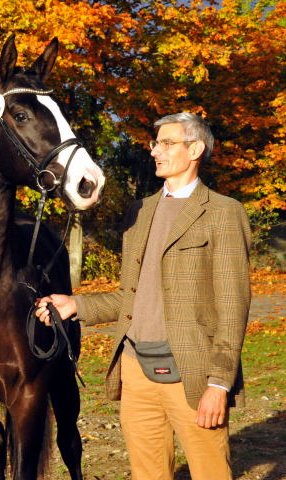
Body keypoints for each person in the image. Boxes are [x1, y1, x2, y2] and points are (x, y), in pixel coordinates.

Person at [36, 112, 251, 480]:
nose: (155, 151)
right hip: (135, 370)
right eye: (155, 143)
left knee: (211, 473)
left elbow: (233, 308)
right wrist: (76, 305)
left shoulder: (223, 213)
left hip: (194, 376)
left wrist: (219, 383)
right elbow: (132, 296)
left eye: (166, 143)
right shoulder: (140, 211)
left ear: (195, 148)